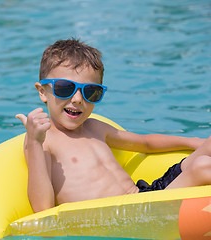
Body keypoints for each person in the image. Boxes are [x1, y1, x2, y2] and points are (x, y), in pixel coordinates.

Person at [16, 38, 211, 213]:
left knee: (207, 148)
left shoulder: (95, 127)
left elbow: (145, 143)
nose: (77, 99)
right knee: (202, 167)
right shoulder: (43, 141)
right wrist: (34, 141)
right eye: (65, 88)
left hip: (146, 195)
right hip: (127, 217)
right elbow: (42, 208)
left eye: (91, 91)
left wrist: (195, 141)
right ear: (42, 91)